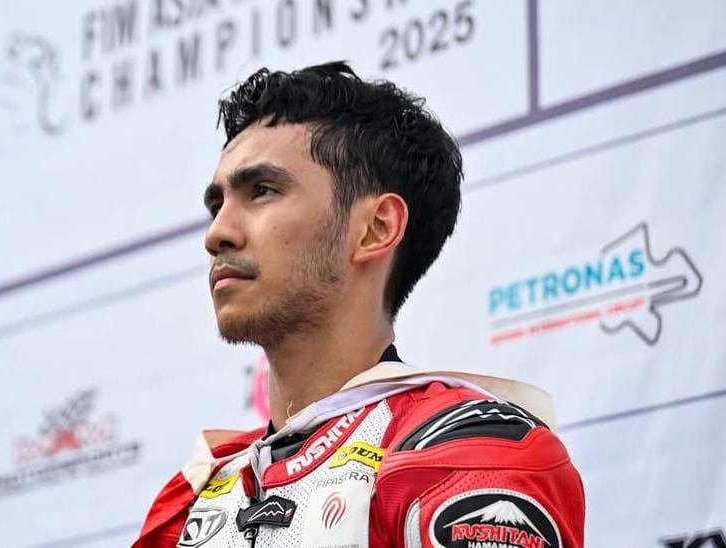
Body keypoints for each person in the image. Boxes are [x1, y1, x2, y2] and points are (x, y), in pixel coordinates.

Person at [133, 61, 584, 548]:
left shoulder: (470, 451)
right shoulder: (191, 501)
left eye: (262, 191)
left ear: (375, 229)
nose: (216, 233)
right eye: (216, 205)